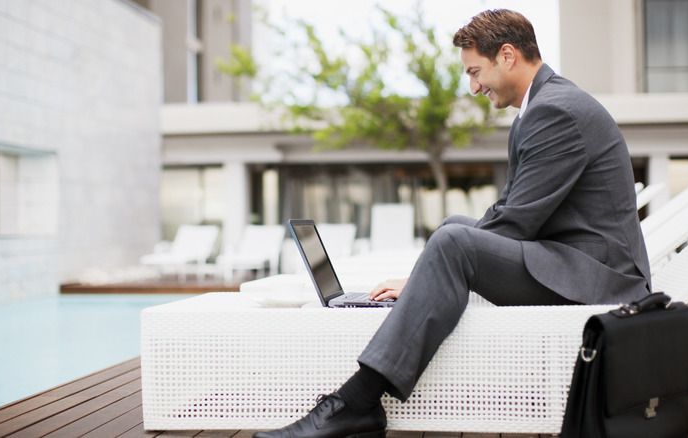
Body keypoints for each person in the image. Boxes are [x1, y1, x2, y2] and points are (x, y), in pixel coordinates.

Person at [253, 9, 651, 438]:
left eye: (476, 71)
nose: (473, 86)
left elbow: (515, 222)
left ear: (507, 55)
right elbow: (510, 208)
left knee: (455, 243)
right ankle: (365, 390)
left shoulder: (557, 111)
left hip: (599, 278)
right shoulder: (543, 106)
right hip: (573, 259)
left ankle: (357, 400)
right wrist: (428, 271)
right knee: (452, 229)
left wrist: (426, 272)